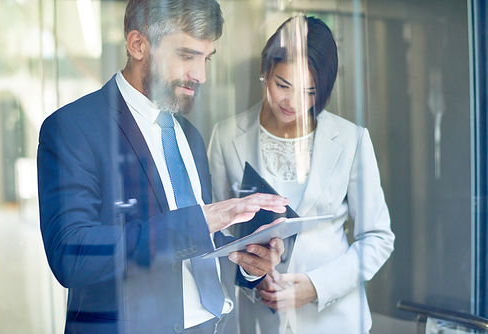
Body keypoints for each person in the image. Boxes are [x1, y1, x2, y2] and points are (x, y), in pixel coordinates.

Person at [36, 1, 289, 333]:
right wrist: (199, 221)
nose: (200, 75)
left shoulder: (190, 137)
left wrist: (250, 264)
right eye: (187, 56)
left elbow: (197, 251)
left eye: (206, 58)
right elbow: (72, 257)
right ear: (138, 45)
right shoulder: (73, 127)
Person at [208, 15, 395, 334]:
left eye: (309, 92)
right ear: (264, 72)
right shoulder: (226, 137)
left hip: (335, 321)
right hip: (258, 320)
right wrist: (252, 276)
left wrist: (316, 286)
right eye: (283, 85)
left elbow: (378, 238)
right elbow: (213, 236)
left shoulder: (351, 139)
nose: (293, 103)